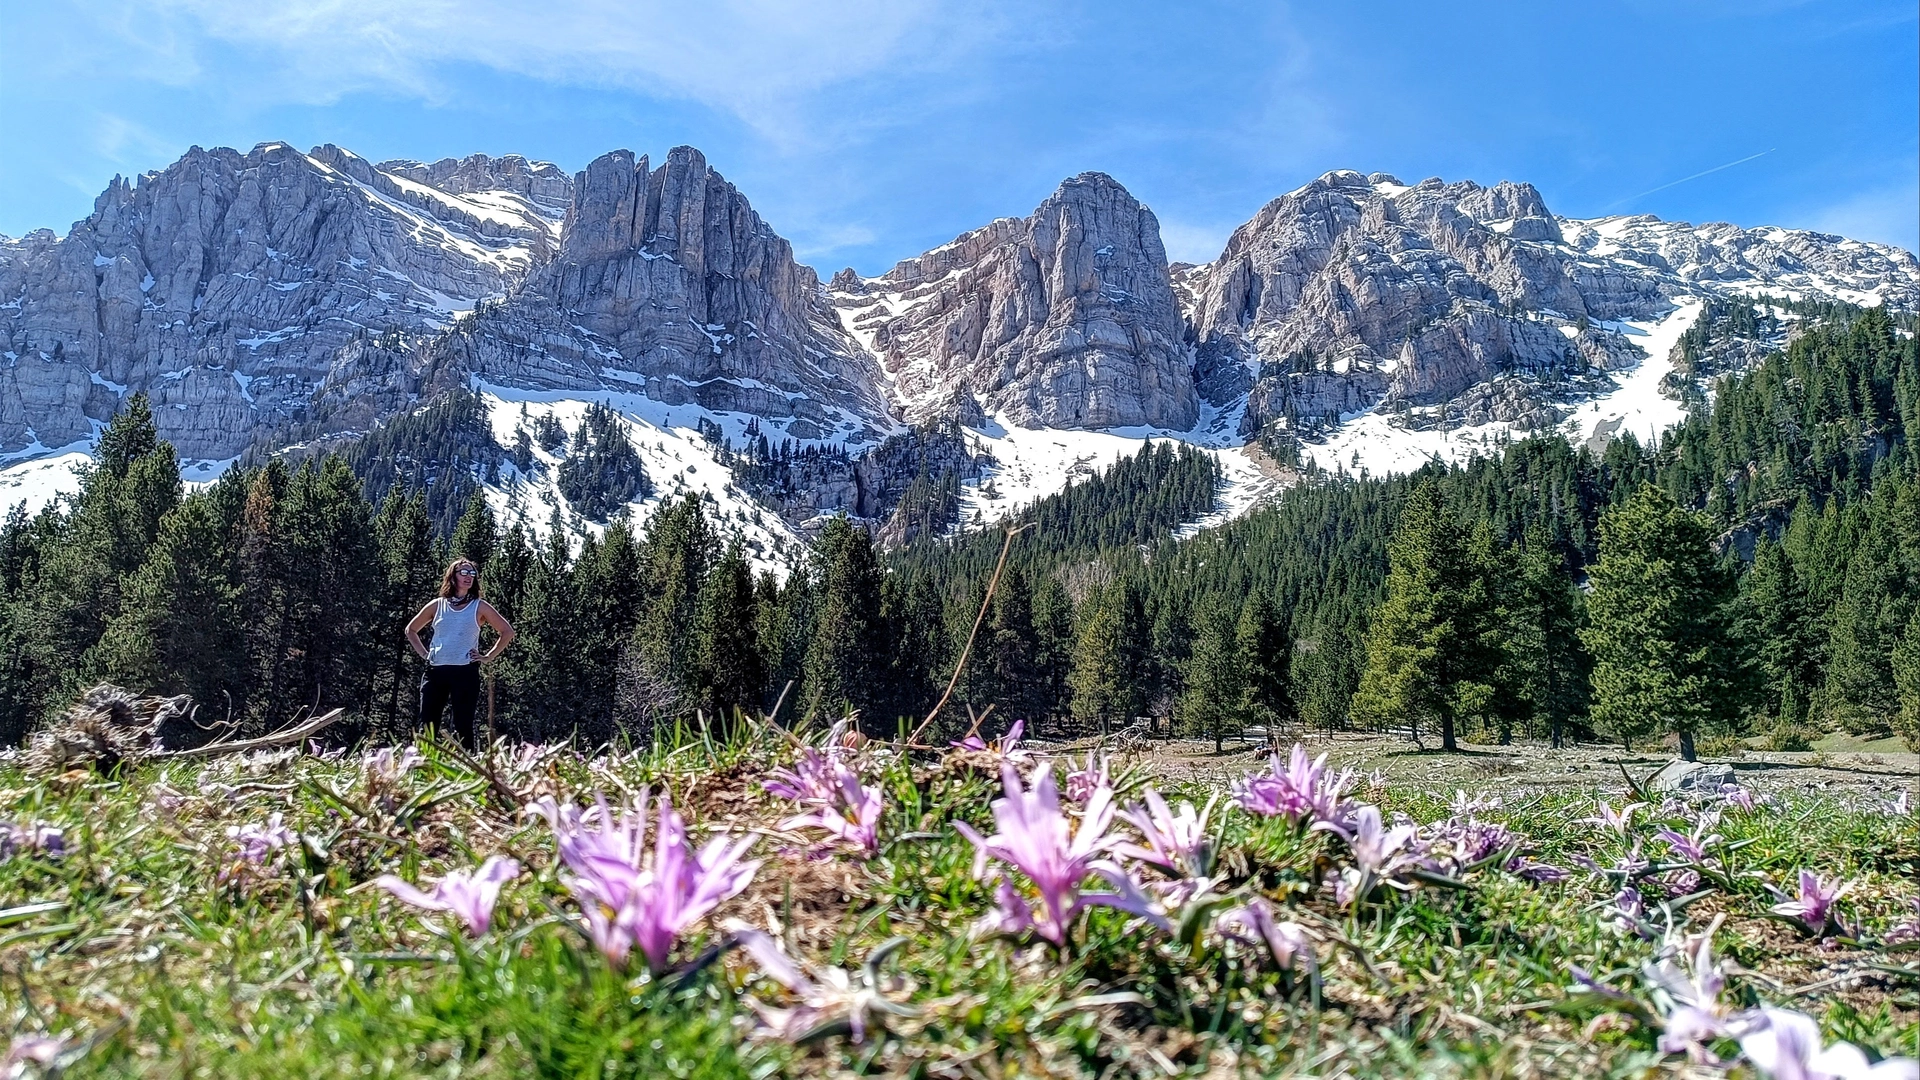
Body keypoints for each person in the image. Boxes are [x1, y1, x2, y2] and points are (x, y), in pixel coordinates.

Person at [405, 558, 515, 749]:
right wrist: (424, 654)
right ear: (452, 576)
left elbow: (507, 631)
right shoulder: (437, 605)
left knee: (463, 725)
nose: (468, 577)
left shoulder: (479, 606)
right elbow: (411, 630)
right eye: (463, 573)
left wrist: (487, 656)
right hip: (435, 671)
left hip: (464, 672)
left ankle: (466, 771)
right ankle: (424, 769)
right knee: (427, 725)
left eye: (472, 574)